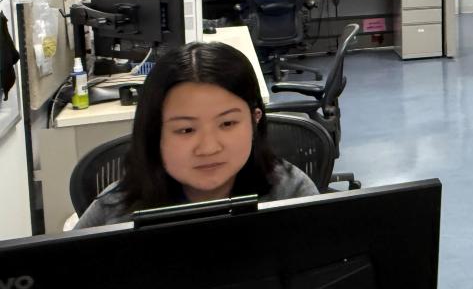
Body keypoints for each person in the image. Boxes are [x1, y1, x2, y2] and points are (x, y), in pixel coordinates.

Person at [75, 42, 319, 229]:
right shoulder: (115, 214)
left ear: (255, 122)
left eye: (227, 123)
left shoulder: (290, 195)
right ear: (155, 132)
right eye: (186, 130)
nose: (209, 148)